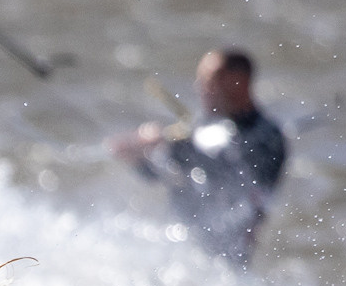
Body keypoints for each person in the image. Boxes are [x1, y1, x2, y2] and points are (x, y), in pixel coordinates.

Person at [109, 47, 288, 266]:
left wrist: (168, 145)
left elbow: (226, 168)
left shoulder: (266, 137)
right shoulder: (204, 128)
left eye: (209, 79)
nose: (200, 87)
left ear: (237, 81)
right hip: (185, 247)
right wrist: (139, 156)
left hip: (227, 256)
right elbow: (173, 174)